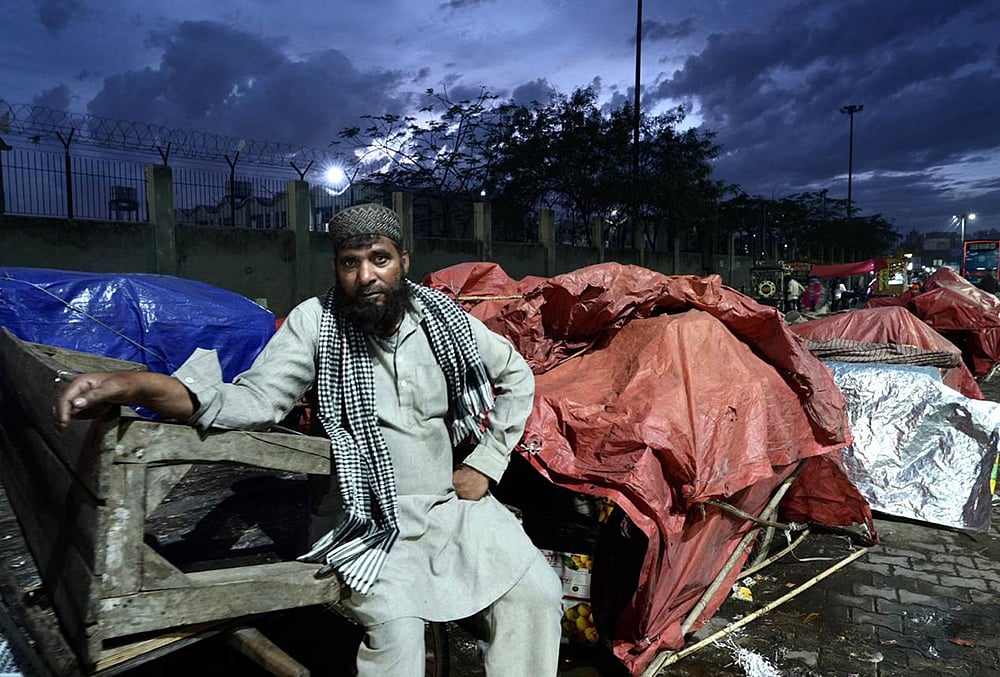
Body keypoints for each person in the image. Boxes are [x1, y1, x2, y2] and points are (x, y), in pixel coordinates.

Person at [56, 203, 563, 676]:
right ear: (336, 269)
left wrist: (485, 462)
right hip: (364, 519)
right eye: (350, 263)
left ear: (403, 261)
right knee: (397, 637)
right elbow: (256, 401)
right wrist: (141, 384)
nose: (366, 276)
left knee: (537, 596)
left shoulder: (444, 321)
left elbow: (517, 376)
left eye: (380, 259)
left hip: (449, 509)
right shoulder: (315, 321)